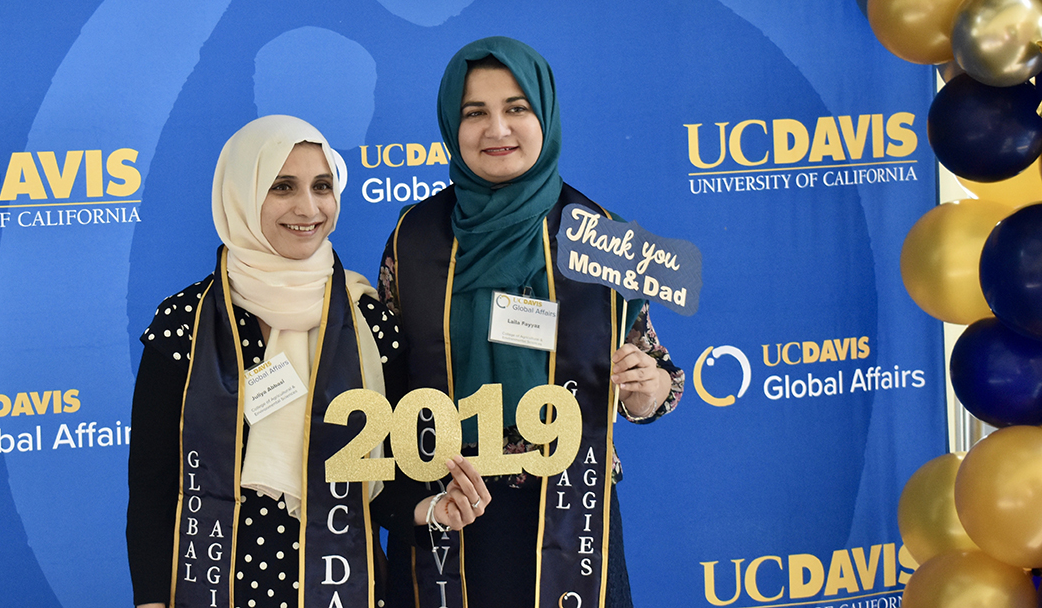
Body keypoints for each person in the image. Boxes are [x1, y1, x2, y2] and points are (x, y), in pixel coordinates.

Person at [126, 114, 490, 608]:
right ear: (242, 195)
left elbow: (386, 481)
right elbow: (152, 487)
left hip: (345, 589)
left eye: (322, 186)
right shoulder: (184, 324)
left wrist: (431, 509)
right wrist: (150, 600)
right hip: (215, 591)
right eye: (282, 187)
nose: (308, 207)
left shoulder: (371, 324)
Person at [376, 37, 685, 608]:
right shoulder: (414, 238)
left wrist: (648, 388)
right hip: (450, 501)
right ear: (452, 123)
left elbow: (656, 373)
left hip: (569, 515)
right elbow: (383, 385)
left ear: (544, 114)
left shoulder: (599, 236)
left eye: (516, 108)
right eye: (475, 112)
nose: (497, 129)